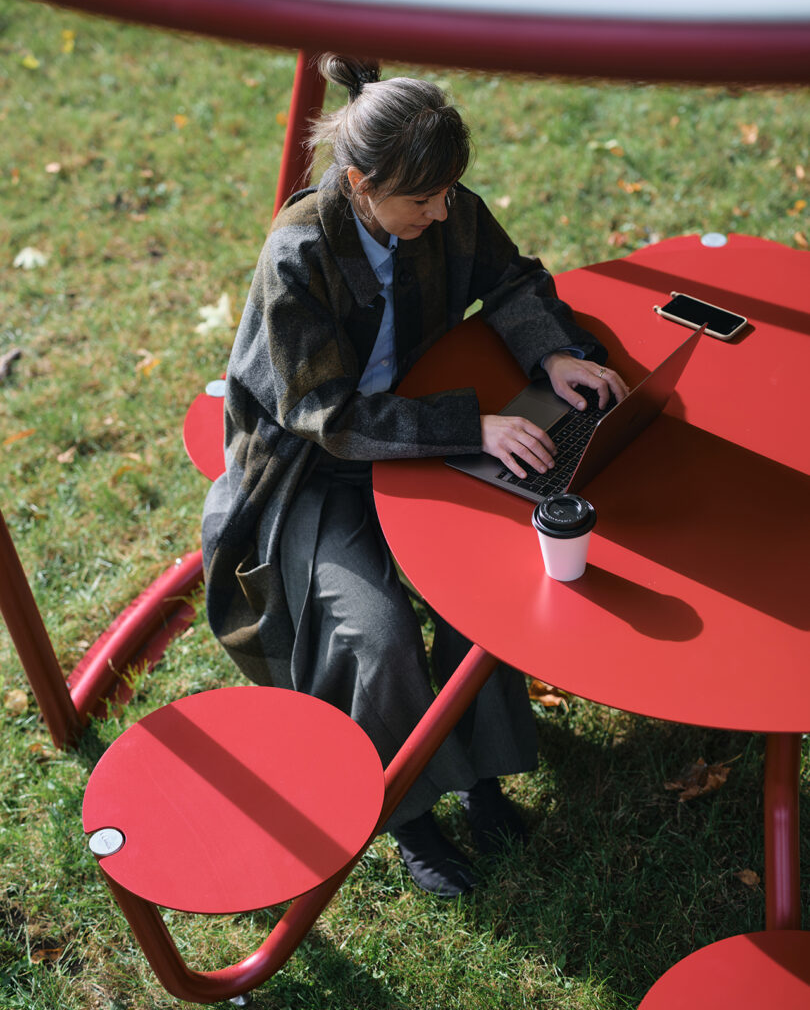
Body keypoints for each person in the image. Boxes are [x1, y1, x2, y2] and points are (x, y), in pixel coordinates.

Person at [202, 55, 628, 898]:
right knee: (377, 633)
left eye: (446, 196)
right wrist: (470, 424)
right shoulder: (296, 257)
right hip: (312, 472)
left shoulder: (442, 204)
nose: (442, 214)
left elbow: (508, 278)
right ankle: (406, 806)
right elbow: (326, 414)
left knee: (490, 595)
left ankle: (480, 773)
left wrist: (551, 351)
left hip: (426, 437)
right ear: (358, 184)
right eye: (421, 203)